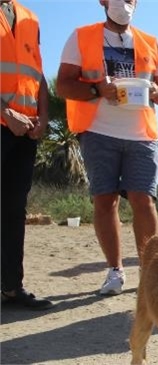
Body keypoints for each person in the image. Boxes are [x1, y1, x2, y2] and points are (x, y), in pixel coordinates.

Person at [56, 0, 158, 296]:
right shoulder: (81, 36)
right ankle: (115, 271)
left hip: (142, 134)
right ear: (103, 2)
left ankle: (150, 274)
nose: (124, 4)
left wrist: (155, 91)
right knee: (105, 201)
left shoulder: (151, 42)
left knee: (143, 200)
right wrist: (97, 89)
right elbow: (64, 85)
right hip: (98, 131)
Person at [0, 0, 54, 310]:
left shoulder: (30, 17)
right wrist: (6, 112)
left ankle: (11, 287)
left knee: (13, 209)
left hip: (25, 130)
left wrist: (43, 117)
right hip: (6, 120)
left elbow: (38, 74)